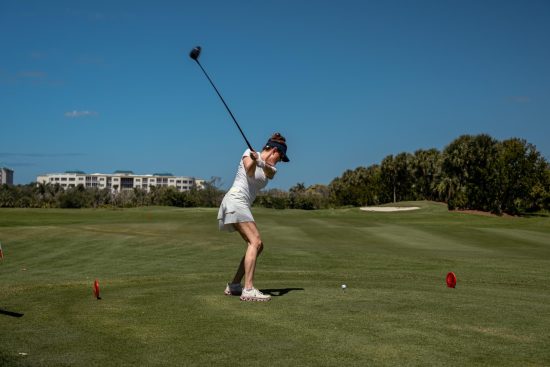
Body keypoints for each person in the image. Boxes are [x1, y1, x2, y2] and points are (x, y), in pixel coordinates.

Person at [218, 133, 290, 302]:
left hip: (241, 204)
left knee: (259, 245)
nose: (279, 161)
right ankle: (248, 289)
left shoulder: (271, 169)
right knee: (255, 242)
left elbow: (269, 172)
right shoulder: (247, 152)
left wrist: (261, 161)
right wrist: (254, 158)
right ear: (274, 150)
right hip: (236, 200)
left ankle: (235, 284)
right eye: (280, 157)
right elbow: (249, 171)